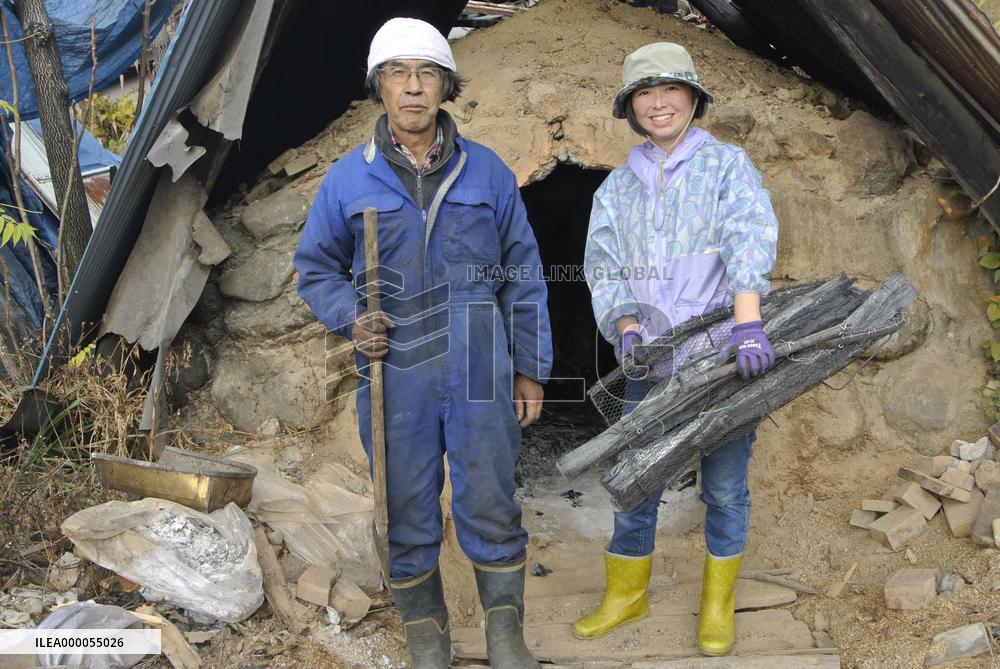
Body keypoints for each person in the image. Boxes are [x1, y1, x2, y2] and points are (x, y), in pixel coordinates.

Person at [293, 17, 552, 669]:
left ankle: (504, 634)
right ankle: (429, 636)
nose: (413, 88)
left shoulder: (486, 173)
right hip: (393, 365)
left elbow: (523, 269)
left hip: (477, 362)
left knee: (491, 497)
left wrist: (530, 368)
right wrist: (351, 317)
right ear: (379, 86)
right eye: (399, 74)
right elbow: (314, 266)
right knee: (404, 507)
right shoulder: (349, 180)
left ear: (445, 86)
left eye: (427, 73)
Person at [576, 42, 779, 657]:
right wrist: (627, 327)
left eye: (670, 90)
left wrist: (748, 325)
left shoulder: (726, 167)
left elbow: (748, 239)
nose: (658, 103)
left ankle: (717, 602)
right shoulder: (618, 188)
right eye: (645, 93)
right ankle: (627, 593)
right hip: (651, 361)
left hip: (721, 357)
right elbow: (604, 265)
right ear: (631, 108)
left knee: (723, 486)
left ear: (693, 98)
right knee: (638, 479)